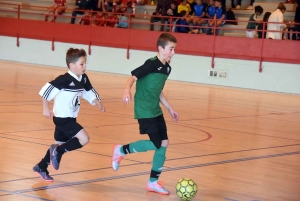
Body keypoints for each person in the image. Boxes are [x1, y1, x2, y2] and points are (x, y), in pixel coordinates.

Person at [111, 33, 178, 195]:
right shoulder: (151, 64)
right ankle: (122, 150)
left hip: (155, 109)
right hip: (144, 109)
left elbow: (158, 90)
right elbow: (132, 78)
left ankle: (153, 182)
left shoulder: (167, 68)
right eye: (171, 49)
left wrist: (169, 108)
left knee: (164, 143)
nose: (173, 53)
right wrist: (127, 90)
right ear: (160, 49)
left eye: (174, 49)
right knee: (156, 143)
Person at [32, 48, 105, 181]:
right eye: (82, 64)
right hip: (62, 118)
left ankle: (41, 167)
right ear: (72, 65)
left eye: (85, 63)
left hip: (71, 117)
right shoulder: (63, 79)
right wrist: (45, 108)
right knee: (84, 139)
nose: (85, 66)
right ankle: (58, 151)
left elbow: (88, 91)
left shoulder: (83, 78)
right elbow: (46, 91)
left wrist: (96, 101)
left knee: (59, 144)